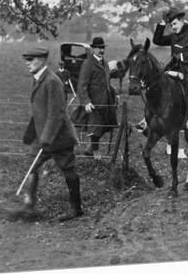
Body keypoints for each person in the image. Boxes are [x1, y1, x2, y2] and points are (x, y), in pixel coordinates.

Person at [15, 46, 83, 221]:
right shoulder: (38, 79)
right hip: (42, 135)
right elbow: (40, 111)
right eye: (26, 60)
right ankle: (29, 205)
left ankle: (76, 209)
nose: (27, 63)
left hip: (59, 137)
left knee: (68, 170)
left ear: (42, 60)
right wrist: (32, 133)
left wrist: (46, 138)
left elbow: (56, 114)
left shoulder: (52, 81)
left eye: (31, 60)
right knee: (31, 164)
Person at [135, 8, 188, 131]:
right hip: (175, 67)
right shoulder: (174, 36)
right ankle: (148, 117)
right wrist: (162, 24)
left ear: (182, 21)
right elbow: (157, 40)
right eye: (171, 25)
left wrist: (183, 56)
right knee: (156, 81)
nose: (173, 27)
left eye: (175, 24)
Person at [72, 37, 118, 158]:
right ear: (93, 49)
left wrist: (113, 93)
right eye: (98, 48)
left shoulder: (105, 63)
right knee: (94, 128)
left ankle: (90, 148)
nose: (101, 50)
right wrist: (86, 102)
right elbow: (82, 85)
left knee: (106, 126)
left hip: (106, 102)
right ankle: (94, 152)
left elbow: (106, 81)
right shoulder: (88, 64)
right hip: (94, 102)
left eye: (103, 48)